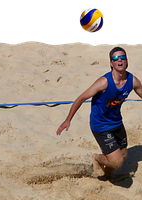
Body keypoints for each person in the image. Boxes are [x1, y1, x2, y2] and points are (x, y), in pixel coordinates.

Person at [56, 47, 142, 178]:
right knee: (117, 161)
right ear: (111, 63)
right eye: (115, 58)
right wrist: (68, 119)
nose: (119, 60)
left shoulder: (133, 81)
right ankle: (96, 158)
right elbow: (81, 98)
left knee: (123, 155)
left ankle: (106, 176)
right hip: (101, 125)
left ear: (126, 61)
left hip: (117, 122)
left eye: (122, 57)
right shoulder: (104, 82)